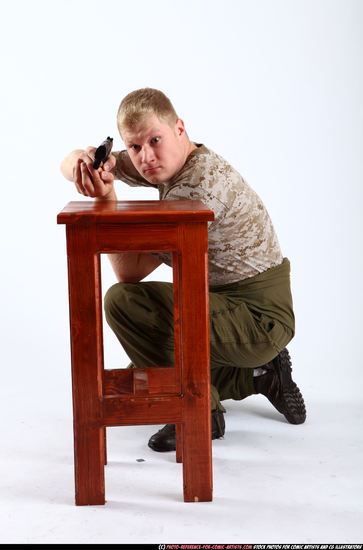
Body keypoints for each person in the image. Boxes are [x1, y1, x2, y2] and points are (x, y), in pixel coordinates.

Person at [60, 88, 306, 452]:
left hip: (258, 316)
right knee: (139, 378)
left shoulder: (195, 190)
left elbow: (130, 272)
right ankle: (259, 376)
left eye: (154, 140)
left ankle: (200, 412)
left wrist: (104, 198)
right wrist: (82, 164)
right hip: (222, 302)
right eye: (134, 147)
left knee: (124, 304)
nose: (145, 158)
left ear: (179, 128)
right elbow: (70, 161)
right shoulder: (172, 159)